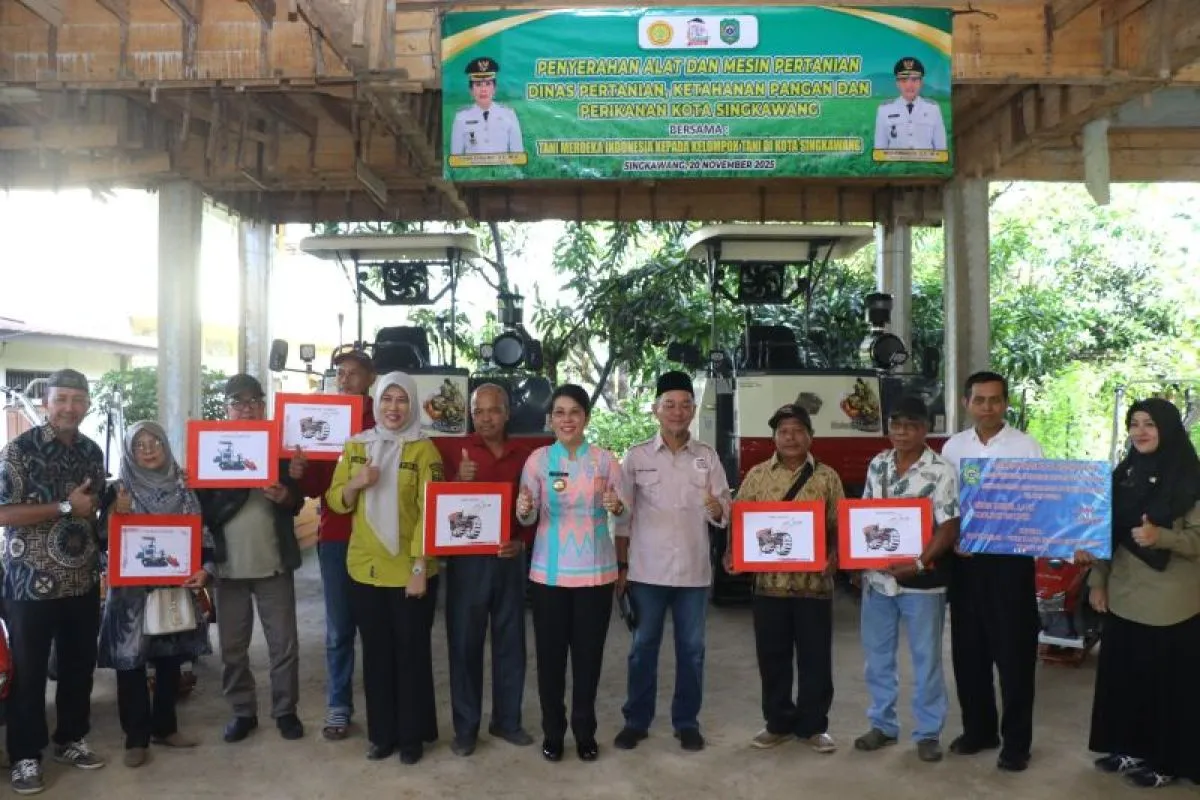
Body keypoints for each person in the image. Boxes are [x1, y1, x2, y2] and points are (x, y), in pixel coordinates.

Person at [1081, 398, 1200, 789]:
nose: (1140, 431)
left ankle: (1167, 761)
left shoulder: (1190, 479)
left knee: (1165, 687)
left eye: (1150, 423)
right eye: (1134, 423)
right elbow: (1106, 533)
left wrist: (1160, 536)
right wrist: (1098, 580)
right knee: (1125, 679)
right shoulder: (1124, 475)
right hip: (1124, 593)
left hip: (1171, 603)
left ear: (1168, 428)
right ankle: (1129, 747)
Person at [325, 371, 443, 765]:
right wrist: (356, 483)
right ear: (376, 403)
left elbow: (431, 512)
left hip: (410, 570)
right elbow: (336, 500)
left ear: (412, 404)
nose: (394, 408)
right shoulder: (356, 446)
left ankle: (411, 738)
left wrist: (419, 566)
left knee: (410, 654)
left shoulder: (425, 450)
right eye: (387, 399)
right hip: (365, 568)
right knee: (376, 655)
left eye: (402, 400)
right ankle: (382, 736)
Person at [0, 369, 107, 795]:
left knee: (79, 668)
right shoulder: (19, 451)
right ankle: (25, 755)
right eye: (61, 399)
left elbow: (93, 509)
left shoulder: (91, 452)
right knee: (29, 674)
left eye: (77, 400)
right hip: (30, 583)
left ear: (87, 405)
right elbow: (3, 512)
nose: (69, 408)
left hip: (81, 579)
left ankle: (71, 739)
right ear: (46, 403)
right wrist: (64, 506)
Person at [612, 371, 729, 753]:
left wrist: (717, 509)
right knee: (642, 647)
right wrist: (621, 567)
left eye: (684, 405)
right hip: (647, 571)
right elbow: (622, 517)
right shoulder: (637, 457)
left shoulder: (707, 457)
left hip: (693, 573)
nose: (677, 412)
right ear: (655, 410)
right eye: (670, 405)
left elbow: (724, 509)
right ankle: (636, 721)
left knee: (692, 650)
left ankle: (686, 722)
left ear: (693, 411)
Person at [724, 404, 845, 753]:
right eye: (783, 432)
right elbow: (739, 519)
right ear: (774, 437)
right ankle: (776, 723)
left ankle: (813, 726)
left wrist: (836, 556)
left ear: (810, 436)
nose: (791, 437)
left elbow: (839, 524)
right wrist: (732, 552)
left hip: (814, 586)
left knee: (815, 659)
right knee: (772, 657)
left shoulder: (827, 477)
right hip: (769, 586)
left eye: (797, 431)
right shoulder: (758, 475)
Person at [517, 384, 628, 763]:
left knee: (588, 659)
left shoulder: (605, 461)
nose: (567, 420)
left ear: (587, 417)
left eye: (575, 412)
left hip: (595, 576)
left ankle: (584, 732)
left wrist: (617, 506)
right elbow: (526, 514)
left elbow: (624, 511)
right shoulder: (537, 461)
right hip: (549, 577)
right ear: (550, 419)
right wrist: (525, 509)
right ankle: (553, 732)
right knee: (550, 660)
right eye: (560, 413)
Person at [940, 371, 1044, 772]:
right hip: (966, 564)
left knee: (1015, 656)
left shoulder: (1026, 446)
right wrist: (951, 540)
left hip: (1011, 565)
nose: (988, 407)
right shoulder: (953, 447)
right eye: (980, 400)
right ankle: (979, 730)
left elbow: (1039, 503)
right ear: (966, 403)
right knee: (969, 653)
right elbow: (945, 505)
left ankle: (1016, 743)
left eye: (995, 400)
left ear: (1006, 403)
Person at [196, 374, 306, 744]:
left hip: (274, 563)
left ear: (263, 406)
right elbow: (200, 510)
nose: (247, 408)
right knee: (232, 648)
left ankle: (286, 711)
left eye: (254, 401)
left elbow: (297, 501)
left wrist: (286, 494)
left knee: (284, 645)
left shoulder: (283, 447)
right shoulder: (209, 448)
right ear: (226, 409)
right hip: (228, 568)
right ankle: (242, 711)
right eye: (238, 402)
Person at [97, 422, 212, 768]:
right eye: (139, 445)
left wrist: (205, 569)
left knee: (169, 660)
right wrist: (116, 512)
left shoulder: (184, 486)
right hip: (130, 594)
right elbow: (101, 540)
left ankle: (166, 728)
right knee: (130, 663)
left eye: (155, 443)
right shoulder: (117, 489)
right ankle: (136, 739)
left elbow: (202, 534)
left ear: (166, 446)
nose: (148, 450)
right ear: (129, 452)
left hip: (173, 587)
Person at [853, 396, 960, 763]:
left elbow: (949, 526)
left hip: (923, 583)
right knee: (877, 659)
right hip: (878, 581)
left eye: (911, 426)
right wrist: (858, 561)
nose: (901, 432)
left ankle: (928, 733)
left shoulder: (941, 470)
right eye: (896, 425)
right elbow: (864, 516)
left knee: (926, 660)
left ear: (925, 429)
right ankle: (883, 725)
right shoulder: (878, 464)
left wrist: (918, 562)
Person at [440, 384, 535, 757]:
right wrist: (457, 482)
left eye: (493, 410)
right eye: (478, 411)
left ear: (507, 413)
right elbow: (434, 504)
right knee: (465, 643)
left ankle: (507, 721)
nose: (485, 418)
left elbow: (536, 507)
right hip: (467, 562)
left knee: (511, 642)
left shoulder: (525, 456)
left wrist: (522, 542)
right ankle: (466, 728)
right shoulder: (454, 451)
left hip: (509, 558)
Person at [293, 349, 376, 741]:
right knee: (339, 629)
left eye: (354, 373)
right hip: (337, 537)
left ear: (370, 379)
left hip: (379, 539)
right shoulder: (326, 419)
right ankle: (339, 704)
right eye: (341, 373)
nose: (345, 379)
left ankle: (382, 705)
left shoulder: (384, 419)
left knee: (377, 628)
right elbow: (315, 489)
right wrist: (301, 470)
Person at [450, 57, 525, 156]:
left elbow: (518, 154)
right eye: (478, 84)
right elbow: (455, 157)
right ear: (471, 90)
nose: (483, 89)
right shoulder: (461, 117)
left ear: (494, 89)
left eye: (488, 84)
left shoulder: (509, 114)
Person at [873, 57, 947, 152]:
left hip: (926, 162)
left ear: (921, 83)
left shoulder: (933, 109)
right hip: (895, 162)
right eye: (904, 80)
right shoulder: (885, 110)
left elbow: (941, 149)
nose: (909, 85)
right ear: (897, 83)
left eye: (914, 79)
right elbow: (879, 150)